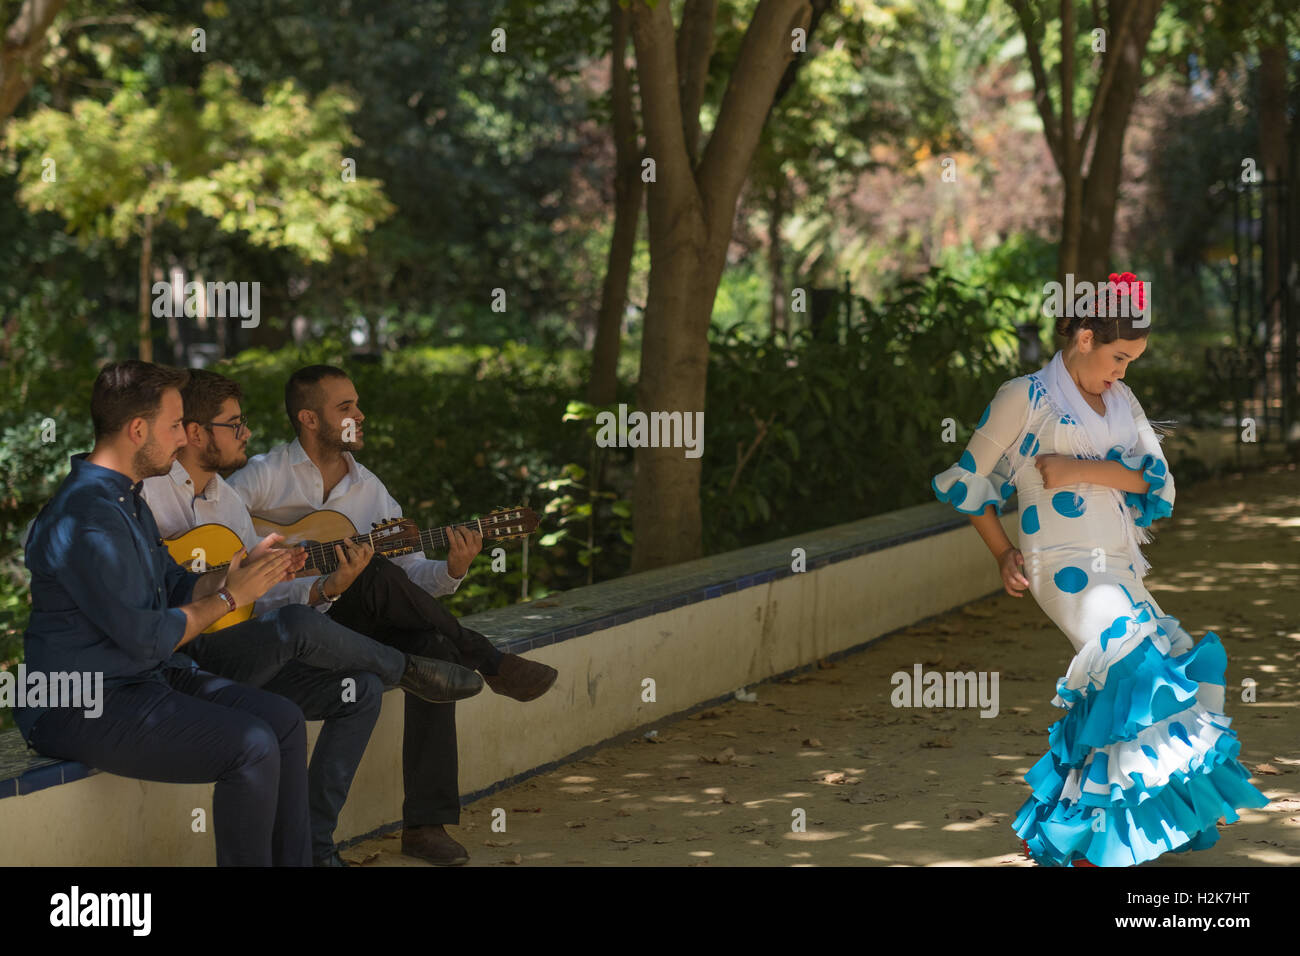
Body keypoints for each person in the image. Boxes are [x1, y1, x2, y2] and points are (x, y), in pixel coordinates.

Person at [931, 309, 1270, 867]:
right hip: (1061, 564)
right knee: (1134, 661)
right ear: (1085, 338)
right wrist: (1001, 552)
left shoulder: (1121, 401)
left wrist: (1077, 469)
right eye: (1118, 358)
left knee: (1177, 665)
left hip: (1119, 562)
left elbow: (1159, 483)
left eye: (1131, 363)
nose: (1122, 374)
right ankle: (1092, 838)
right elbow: (967, 478)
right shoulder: (1025, 395)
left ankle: (1088, 828)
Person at [140, 368, 484, 867]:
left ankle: (314, 850)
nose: (247, 433)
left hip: (239, 646)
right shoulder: (151, 495)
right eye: (235, 425)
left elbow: (262, 594)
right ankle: (412, 670)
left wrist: (325, 585)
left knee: (361, 689)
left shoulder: (227, 500)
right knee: (301, 626)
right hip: (182, 658)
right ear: (196, 433)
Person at [226, 365, 559, 865]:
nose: (360, 415)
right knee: (376, 577)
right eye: (346, 408)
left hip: (346, 627)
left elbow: (410, 577)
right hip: (277, 633)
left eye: (358, 404)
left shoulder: (368, 488)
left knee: (433, 647)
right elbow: (224, 562)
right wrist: (321, 585)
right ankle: (488, 660)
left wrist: (451, 567)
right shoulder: (261, 478)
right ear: (309, 418)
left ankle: (425, 826)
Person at [17, 360, 313, 865]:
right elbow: (146, 637)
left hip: (143, 678)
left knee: (283, 721)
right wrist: (228, 600)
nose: (183, 440)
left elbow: (175, 582)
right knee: (253, 745)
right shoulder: (87, 516)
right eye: (175, 426)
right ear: (137, 430)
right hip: (78, 701)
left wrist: (239, 572)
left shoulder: (127, 499)